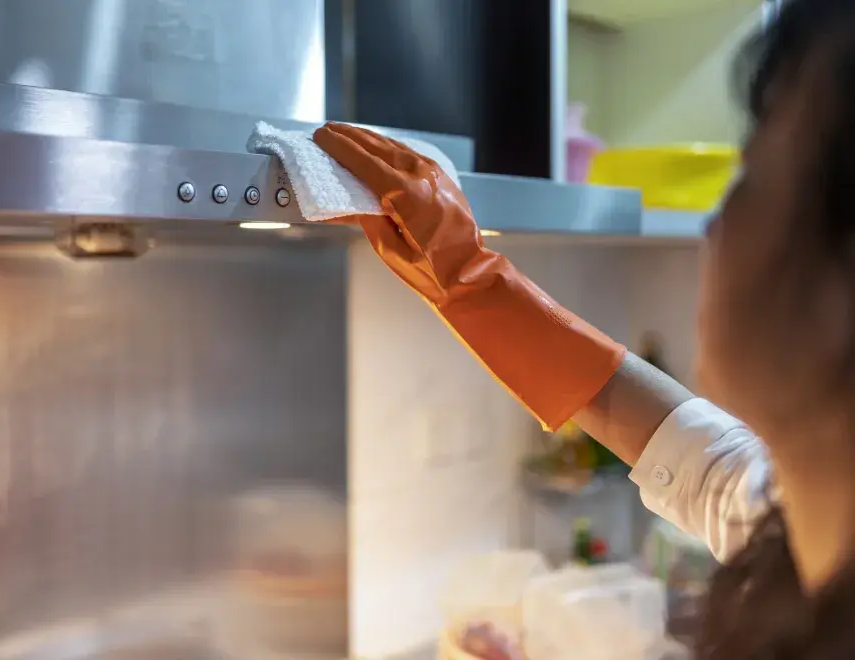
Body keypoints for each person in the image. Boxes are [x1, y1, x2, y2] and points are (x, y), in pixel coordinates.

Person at [314, 0, 855, 656]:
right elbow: (707, 466)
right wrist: (472, 283)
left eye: (751, 172)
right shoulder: (807, 526)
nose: (715, 225)